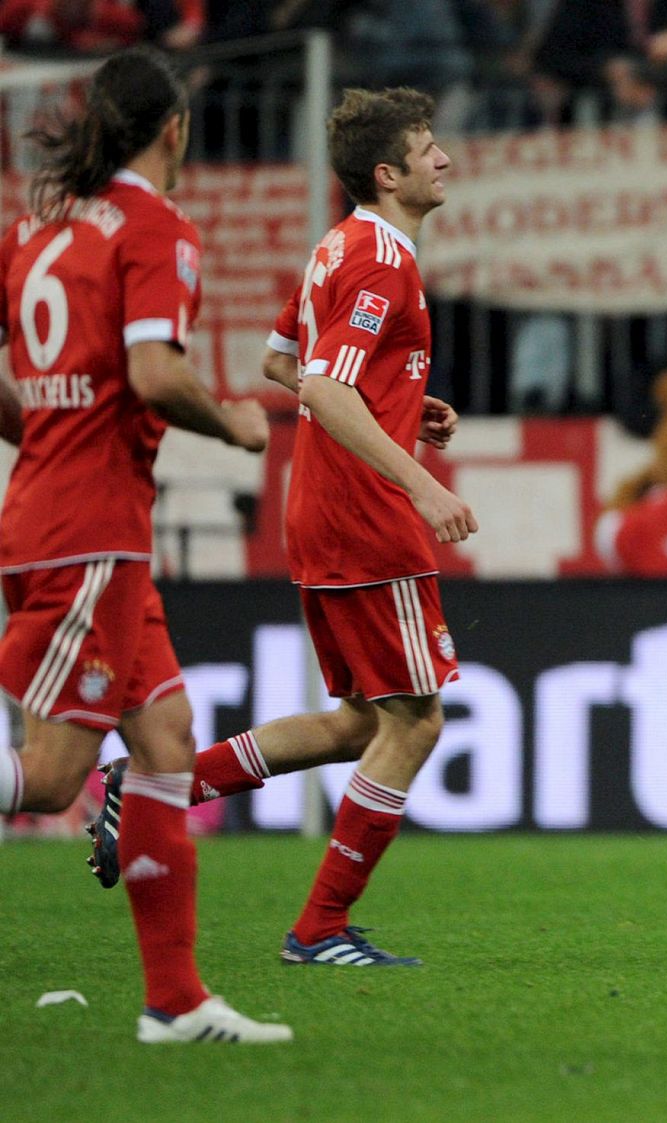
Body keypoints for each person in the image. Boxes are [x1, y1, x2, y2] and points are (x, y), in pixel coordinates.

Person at [88, 86, 477, 969]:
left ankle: (150, 787)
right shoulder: (381, 259)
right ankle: (319, 927)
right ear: (388, 173)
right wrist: (421, 484)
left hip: (321, 511)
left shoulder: (337, 245)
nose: (443, 158)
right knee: (414, 725)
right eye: (426, 147)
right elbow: (329, 389)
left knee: (356, 722)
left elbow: (282, 362)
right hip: (367, 516)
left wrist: (403, 406)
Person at [0, 47, 290, 1043]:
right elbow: (157, 373)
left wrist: (42, 429)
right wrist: (238, 425)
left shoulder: (36, 230)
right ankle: (173, 998)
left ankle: (175, 1001)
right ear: (174, 128)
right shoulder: (155, 227)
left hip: (63, 517)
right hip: (89, 535)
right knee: (47, 778)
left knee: (165, 743)